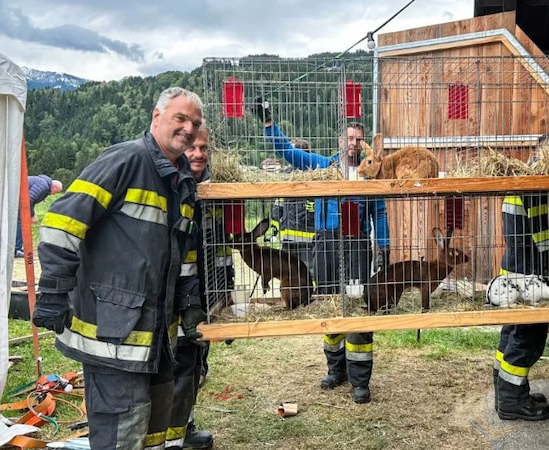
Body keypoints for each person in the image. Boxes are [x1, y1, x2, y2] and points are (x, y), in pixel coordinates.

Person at [33, 87, 207, 450]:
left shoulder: (181, 182)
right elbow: (62, 221)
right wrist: (52, 291)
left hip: (156, 338)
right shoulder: (125, 161)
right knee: (121, 434)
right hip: (112, 334)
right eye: (181, 118)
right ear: (156, 117)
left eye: (195, 122)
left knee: (153, 431)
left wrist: (190, 301)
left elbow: (185, 252)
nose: (189, 129)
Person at [256, 98, 389, 404]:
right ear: (340, 141)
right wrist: (268, 124)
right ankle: (336, 369)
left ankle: (360, 380)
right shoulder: (323, 167)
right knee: (329, 307)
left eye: (359, 139)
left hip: (356, 246)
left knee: (358, 311)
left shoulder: (371, 175)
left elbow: (379, 212)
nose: (354, 144)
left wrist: (384, 247)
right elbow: (287, 152)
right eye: (349, 139)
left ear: (364, 144)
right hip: (325, 244)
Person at [493, 132, 549, 421]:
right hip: (527, 280)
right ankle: (510, 402)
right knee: (526, 340)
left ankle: (512, 392)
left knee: (513, 337)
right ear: (539, 153)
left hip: (531, 276)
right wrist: (541, 286)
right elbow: (521, 243)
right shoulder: (527, 184)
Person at [165, 124, 223, 449]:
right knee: (179, 361)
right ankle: (172, 434)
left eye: (204, 148)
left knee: (196, 362)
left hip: (206, 291)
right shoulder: (175, 186)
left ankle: (183, 424)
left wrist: (224, 295)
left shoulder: (218, 189)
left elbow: (223, 246)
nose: (199, 154)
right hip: (175, 293)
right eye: (193, 148)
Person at [270, 137, 317, 274]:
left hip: (300, 238)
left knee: (290, 273)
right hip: (299, 238)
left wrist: (275, 231)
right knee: (305, 273)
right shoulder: (311, 174)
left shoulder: (311, 176)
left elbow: (276, 210)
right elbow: (277, 207)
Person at [15, 175, 63, 257]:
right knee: (21, 222)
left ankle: (17, 247)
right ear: (54, 188)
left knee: (20, 222)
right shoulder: (43, 186)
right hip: (16, 196)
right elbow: (28, 200)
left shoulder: (43, 183)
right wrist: (32, 216)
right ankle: (16, 249)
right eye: (57, 192)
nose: (54, 194)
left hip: (17, 196)